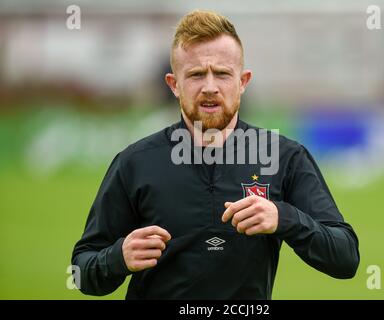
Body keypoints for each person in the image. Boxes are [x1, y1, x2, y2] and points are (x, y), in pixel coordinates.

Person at [72, 10, 359, 299]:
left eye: (222, 73)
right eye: (196, 75)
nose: (210, 87)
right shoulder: (135, 163)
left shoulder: (285, 157)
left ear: (243, 81)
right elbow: (81, 271)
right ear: (174, 85)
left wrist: (283, 217)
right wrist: (118, 258)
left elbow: (346, 257)